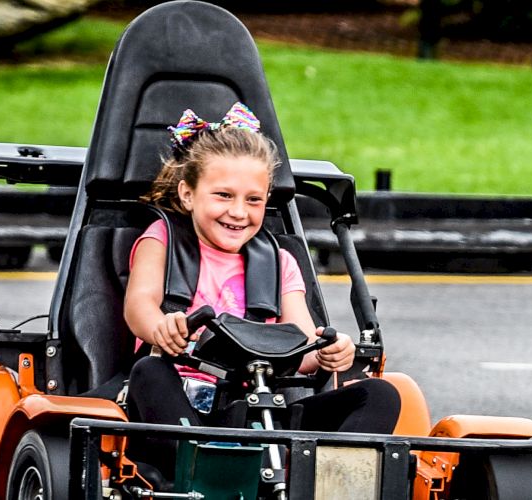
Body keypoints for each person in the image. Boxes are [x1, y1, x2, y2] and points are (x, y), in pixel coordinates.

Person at [121, 102, 400, 477]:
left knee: (381, 394)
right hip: (182, 404)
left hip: (264, 408)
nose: (239, 212)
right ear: (188, 194)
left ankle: (326, 482)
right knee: (150, 370)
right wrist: (161, 328)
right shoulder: (163, 241)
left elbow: (301, 344)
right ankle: (213, 476)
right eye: (223, 195)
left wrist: (329, 353)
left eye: (253, 200)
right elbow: (139, 306)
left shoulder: (278, 260)